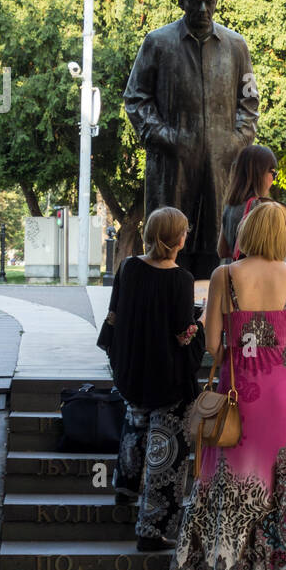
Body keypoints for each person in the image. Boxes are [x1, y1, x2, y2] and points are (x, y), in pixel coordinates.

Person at [145, 202, 286, 570]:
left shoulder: (225, 275)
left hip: (242, 394)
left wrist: (243, 348)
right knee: (277, 492)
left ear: (247, 230)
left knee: (214, 487)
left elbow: (213, 345)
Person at [123, 0, 259, 276]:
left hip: (221, 167)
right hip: (173, 166)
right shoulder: (158, 43)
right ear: (181, 1)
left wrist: (235, 142)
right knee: (168, 244)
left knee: (219, 248)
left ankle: (210, 319)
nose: (202, 9)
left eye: (209, 2)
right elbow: (135, 98)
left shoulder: (236, 46)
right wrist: (165, 138)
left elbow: (249, 101)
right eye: (195, 2)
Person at [104, 207, 205, 551]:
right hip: (167, 376)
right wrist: (201, 324)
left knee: (135, 423)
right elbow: (182, 335)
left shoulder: (128, 267)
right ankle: (152, 528)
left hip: (132, 368)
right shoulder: (181, 279)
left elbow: (114, 314)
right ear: (177, 238)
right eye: (185, 231)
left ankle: (125, 485)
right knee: (166, 449)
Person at [216, 144, 286, 262]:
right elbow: (261, 254)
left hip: (235, 273)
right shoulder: (259, 207)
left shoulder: (230, 205)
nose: (274, 179)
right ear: (260, 173)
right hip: (257, 278)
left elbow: (222, 251)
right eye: (273, 173)